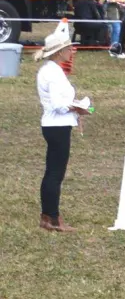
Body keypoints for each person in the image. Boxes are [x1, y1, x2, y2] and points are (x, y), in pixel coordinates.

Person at [35, 22, 91, 232]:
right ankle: (53, 219)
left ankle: (47, 216)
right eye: (68, 48)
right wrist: (80, 107)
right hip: (57, 126)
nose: (71, 51)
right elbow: (59, 105)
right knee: (55, 174)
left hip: (53, 125)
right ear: (60, 52)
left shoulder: (48, 70)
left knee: (52, 172)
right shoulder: (55, 73)